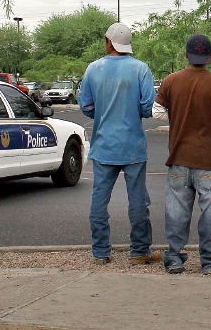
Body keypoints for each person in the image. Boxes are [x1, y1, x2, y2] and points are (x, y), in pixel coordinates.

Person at [77, 23, 160, 265]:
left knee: (99, 201)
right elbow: (148, 107)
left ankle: (101, 252)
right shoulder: (141, 69)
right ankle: (139, 251)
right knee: (138, 201)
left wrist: (102, 113)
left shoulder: (93, 69)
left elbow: (86, 106)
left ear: (109, 42)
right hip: (133, 146)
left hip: (103, 146)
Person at [153, 34, 211, 275]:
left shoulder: (171, 80)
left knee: (176, 211)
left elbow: (156, 111)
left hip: (178, 156)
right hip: (208, 159)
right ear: (209, 57)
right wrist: (206, 121)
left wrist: (178, 119)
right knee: (210, 212)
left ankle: (174, 258)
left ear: (186, 54)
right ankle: (210, 261)